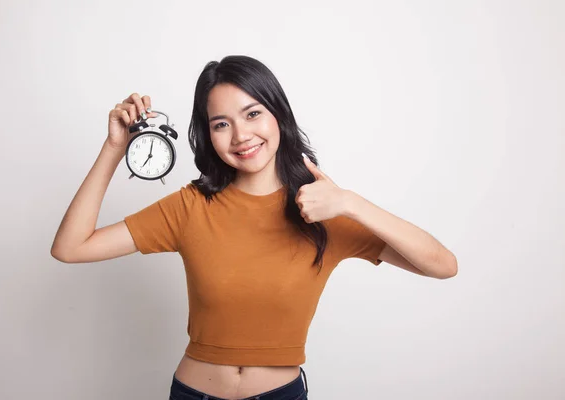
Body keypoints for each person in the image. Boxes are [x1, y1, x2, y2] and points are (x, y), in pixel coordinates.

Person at [51, 55, 458, 400]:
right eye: (221, 123)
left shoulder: (324, 210)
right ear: (208, 135)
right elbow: (71, 247)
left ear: (277, 113)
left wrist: (351, 203)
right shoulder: (191, 206)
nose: (241, 135)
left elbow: (442, 265)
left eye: (252, 114)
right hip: (194, 393)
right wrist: (113, 148)